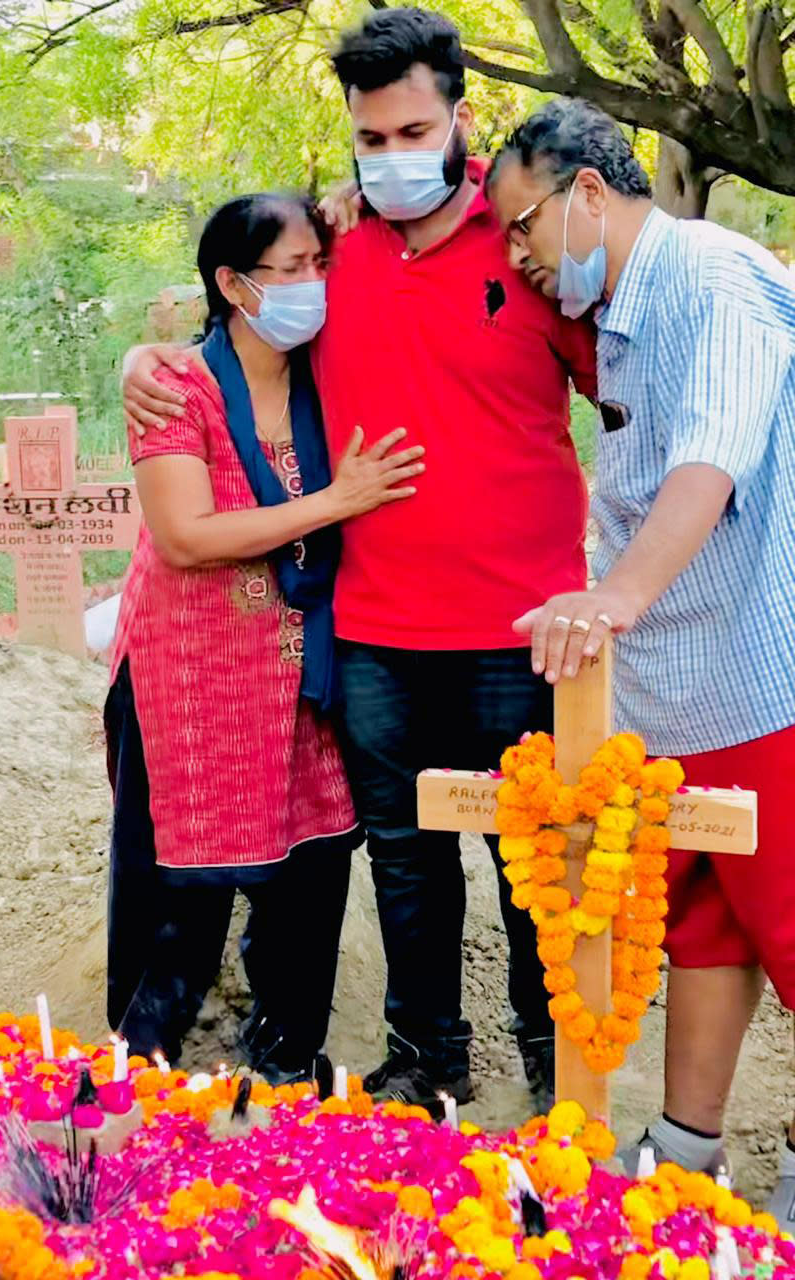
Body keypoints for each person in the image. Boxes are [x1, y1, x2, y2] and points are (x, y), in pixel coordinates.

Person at [123, 7, 597, 1115]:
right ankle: (427, 1050)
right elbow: (228, 310)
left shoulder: (531, 241)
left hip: (523, 625)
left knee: (532, 860)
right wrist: (141, 357)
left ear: (459, 117)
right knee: (406, 859)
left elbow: (627, 383)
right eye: (370, 140)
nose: (390, 159)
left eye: (412, 132)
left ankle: (552, 1050)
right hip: (375, 627)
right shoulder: (334, 256)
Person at [488, 96, 795, 1223]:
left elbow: (709, 463)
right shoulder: (615, 314)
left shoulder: (718, 281)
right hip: (673, 687)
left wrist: (608, 598)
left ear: (587, 193)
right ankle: (684, 1149)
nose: (518, 257)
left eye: (523, 227)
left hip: (769, 670)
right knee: (712, 919)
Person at [106, 191, 426, 1085]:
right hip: (192, 671)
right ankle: (142, 1066)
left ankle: (286, 1057)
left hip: (307, 671)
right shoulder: (178, 385)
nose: (311, 288)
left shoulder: (331, 370)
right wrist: (333, 502)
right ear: (234, 285)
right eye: (289, 273)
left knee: (314, 871)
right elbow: (185, 536)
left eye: (317, 268)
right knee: (183, 877)